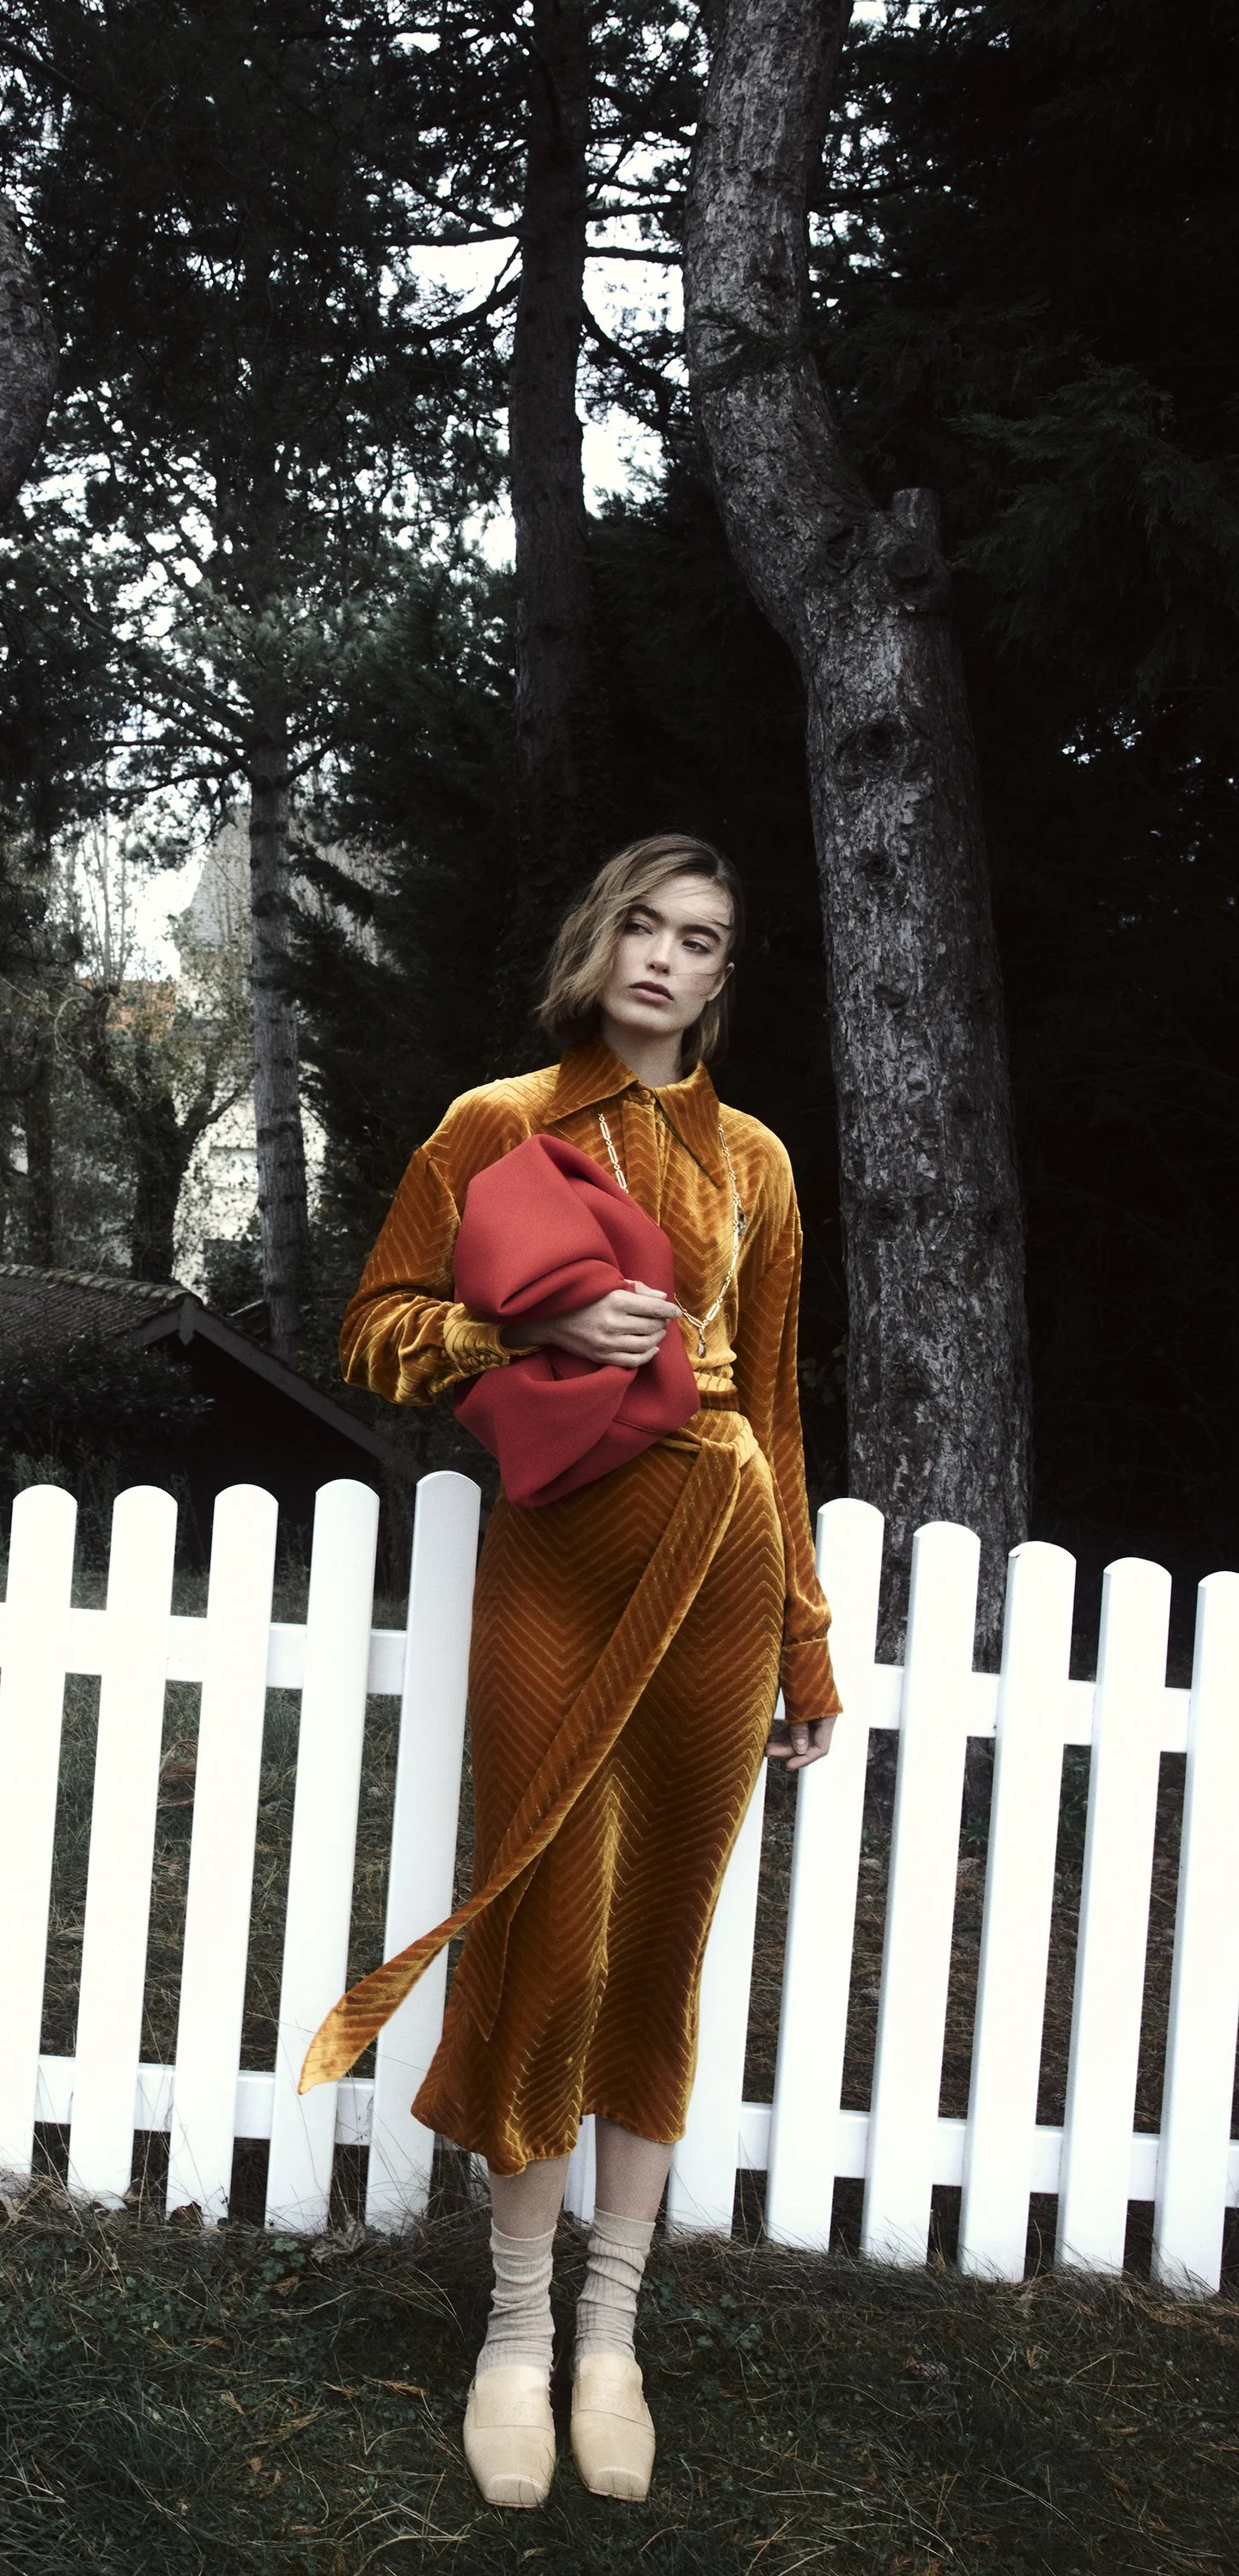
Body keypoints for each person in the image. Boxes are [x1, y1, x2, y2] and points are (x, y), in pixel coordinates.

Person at [318, 835, 839, 2508]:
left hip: (720, 1559)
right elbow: (375, 1326)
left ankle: (610, 2330)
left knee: (658, 1948)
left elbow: (773, 1403)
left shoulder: (752, 1161)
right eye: (642, 923)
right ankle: (512, 2327)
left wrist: (807, 1638)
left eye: (701, 936)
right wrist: (521, 1335)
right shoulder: (494, 1124)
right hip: (554, 1561)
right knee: (550, 1925)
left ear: (720, 975)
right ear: (593, 939)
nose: (664, 957)